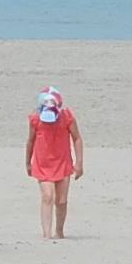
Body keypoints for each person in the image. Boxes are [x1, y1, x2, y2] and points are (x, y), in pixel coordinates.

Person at [27, 89, 84, 239]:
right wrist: (27, 162)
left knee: (61, 200)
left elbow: (77, 138)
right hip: (42, 163)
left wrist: (79, 163)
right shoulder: (35, 119)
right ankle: (46, 234)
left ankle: (59, 231)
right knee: (47, 196)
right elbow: (30, 141)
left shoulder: (67, 117)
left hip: (62, 162)